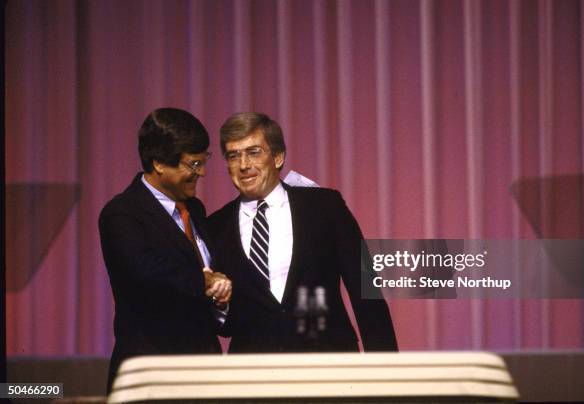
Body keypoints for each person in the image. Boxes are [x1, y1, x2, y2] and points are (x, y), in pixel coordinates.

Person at [207, 112, 397, 353]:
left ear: (277, 157)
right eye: (234, 156)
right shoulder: (215, 226)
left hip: (327, 363)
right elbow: (227, 324)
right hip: (254, 373)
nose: (244, 165)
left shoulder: (325, 206)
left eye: (254, 152)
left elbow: (366, 291)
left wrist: (384, 371)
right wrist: (220, 305)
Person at [99, 108, 231, 391]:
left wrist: (221, 295)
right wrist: (206, 282)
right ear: (159, 163)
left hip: (203, 373)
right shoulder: (122, 213)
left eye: (203, 161)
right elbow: (147, 270)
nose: (203, 172)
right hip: (152, 375)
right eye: (194, 165)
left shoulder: (194, 209)